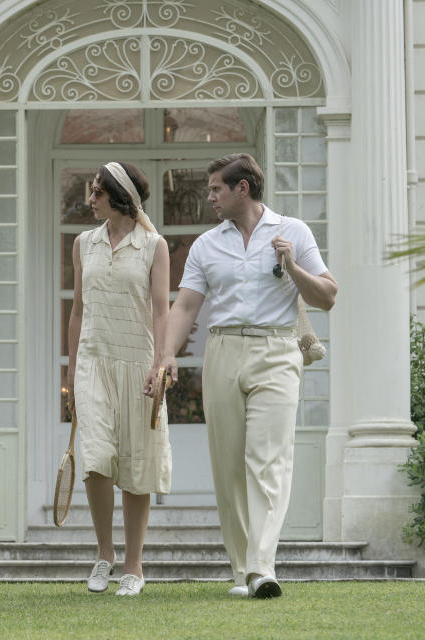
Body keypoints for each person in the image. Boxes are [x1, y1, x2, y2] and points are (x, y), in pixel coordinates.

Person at [164, 153, 337, 599]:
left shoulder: (292, 231)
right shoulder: (206, 245)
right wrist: (165, 355)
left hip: (277, 350)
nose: (209, 197)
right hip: (222, 350)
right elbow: (185, 306)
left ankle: (263, 566)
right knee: (229, 467)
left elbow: (328, 296)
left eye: (216, 189)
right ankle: (243, 569)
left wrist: (293, 266)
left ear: (243, 188)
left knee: (268, 459)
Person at [67, 161, 173, 596]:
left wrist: (160, 365)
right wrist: (71, 373)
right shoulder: (82, 244)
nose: (90, 200)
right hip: (93, 362)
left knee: (136, 463)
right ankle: (104, 555)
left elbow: (162, 310)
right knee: (95, 458)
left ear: (118, 196)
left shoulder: (154, 246)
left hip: (138, 365)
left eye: (97, 192)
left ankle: (133, 566)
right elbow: (76, 311)